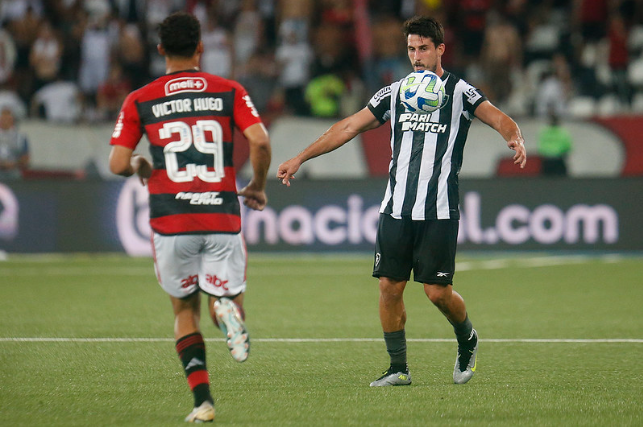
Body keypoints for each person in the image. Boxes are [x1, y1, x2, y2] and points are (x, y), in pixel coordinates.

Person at [277, 16, 526, 387]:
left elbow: (499, 117)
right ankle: (398, 368)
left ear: (440, 49)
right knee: (389, 287)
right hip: (396, 207)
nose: (416, 56)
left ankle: (467, 338)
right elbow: (348, 126)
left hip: (439, 208)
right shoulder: (395, 92)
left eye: (423, 48)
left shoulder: (459, 92)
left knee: (437, 292)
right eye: (411, 48)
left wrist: (514, 137)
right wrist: (301, 156)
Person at [108, 12, 271, 423]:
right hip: (220, 215)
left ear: (160, 49)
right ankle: (226, 311)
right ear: (201, 47)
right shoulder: (228, 90)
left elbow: (116, 163)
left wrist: (141, 165)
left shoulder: (140, 99)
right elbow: (260, 140)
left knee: (184, 312)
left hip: (171, 218)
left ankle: (203, 402)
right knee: (226, 299)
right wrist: (257, 185)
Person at [537, 110, 572, 176]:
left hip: (547, 160)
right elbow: (568, 147)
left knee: (546, 181)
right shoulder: (563, 132)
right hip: (559, 159)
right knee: (562, 180)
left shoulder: (544, 132)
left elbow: (541, 147)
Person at [0, 107, 29, 180]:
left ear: (12, 120)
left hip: (14, 174)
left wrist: (13, 164)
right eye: (3, 119)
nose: (5, 121)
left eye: (8, 119)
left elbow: (26, 159)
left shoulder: (21, 137)